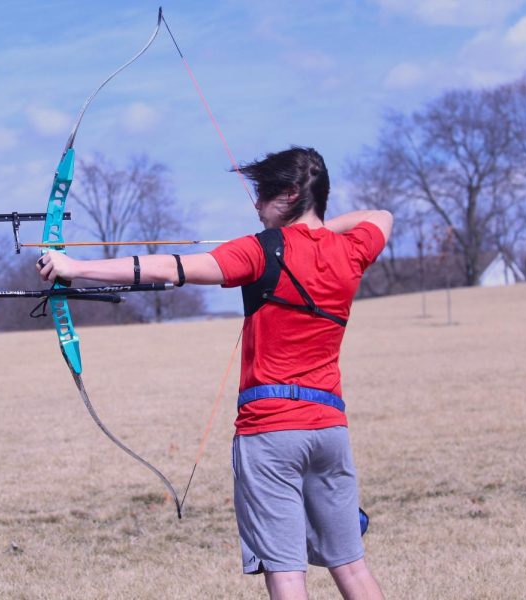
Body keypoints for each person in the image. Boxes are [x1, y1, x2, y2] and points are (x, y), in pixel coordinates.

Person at [37, 146, 391, 600]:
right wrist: (313, 227)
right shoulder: (352, 250)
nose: (255, 203)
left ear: (290, 193)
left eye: (264, 193)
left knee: (285, 573)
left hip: (270, 435)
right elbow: (380, 215)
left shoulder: (260, 251)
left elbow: (169, 269)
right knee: (352, 567)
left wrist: (74, 267)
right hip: (329, 430)